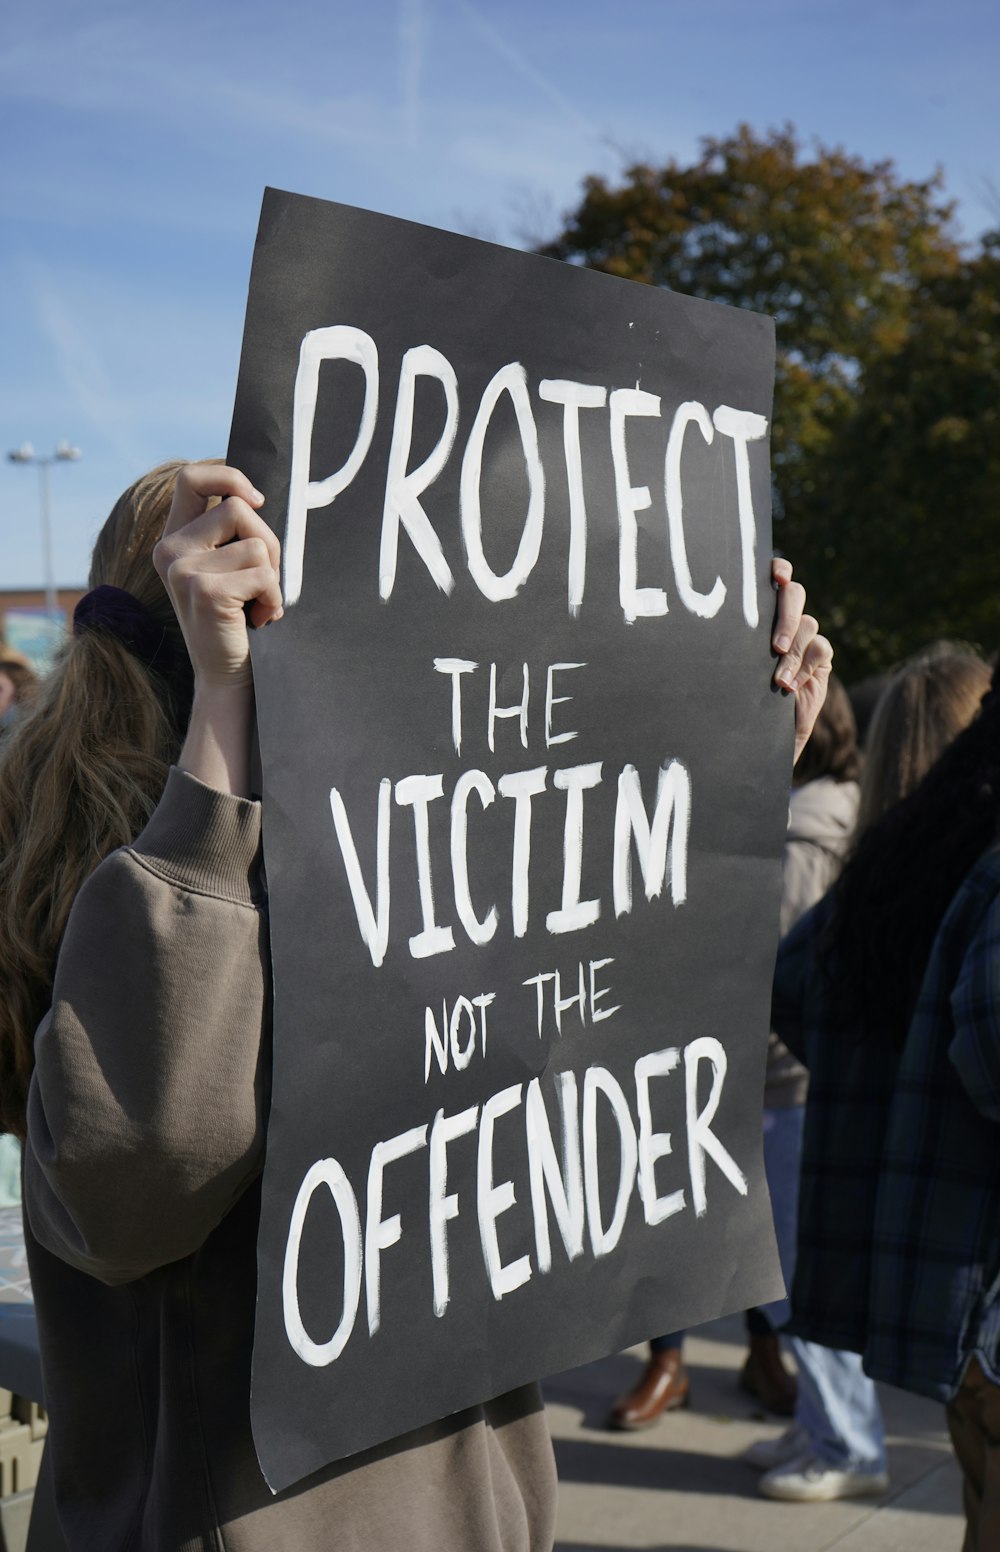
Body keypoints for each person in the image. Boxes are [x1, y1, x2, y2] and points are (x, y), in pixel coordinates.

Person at [0, 461, 832, 1549]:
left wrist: (726, 764)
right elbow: (140, 1180)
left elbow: (591, 1107)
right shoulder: (144, 888)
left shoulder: (401, 882)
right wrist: (227, 727)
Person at [748, 646, 989, 1501]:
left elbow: (785, 988)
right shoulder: (955, 880)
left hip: (915, 1224)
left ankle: (840, 1439)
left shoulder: (877, 878)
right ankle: (836, 1434)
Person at [608, 675, 861, 1431]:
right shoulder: (794, 813)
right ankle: (673, 1360)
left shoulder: (805, 833)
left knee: (745, 1222)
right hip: (705, 1051)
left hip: (760, 1066)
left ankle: (737, 1354)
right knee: (686, 1213)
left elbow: (771, 961)